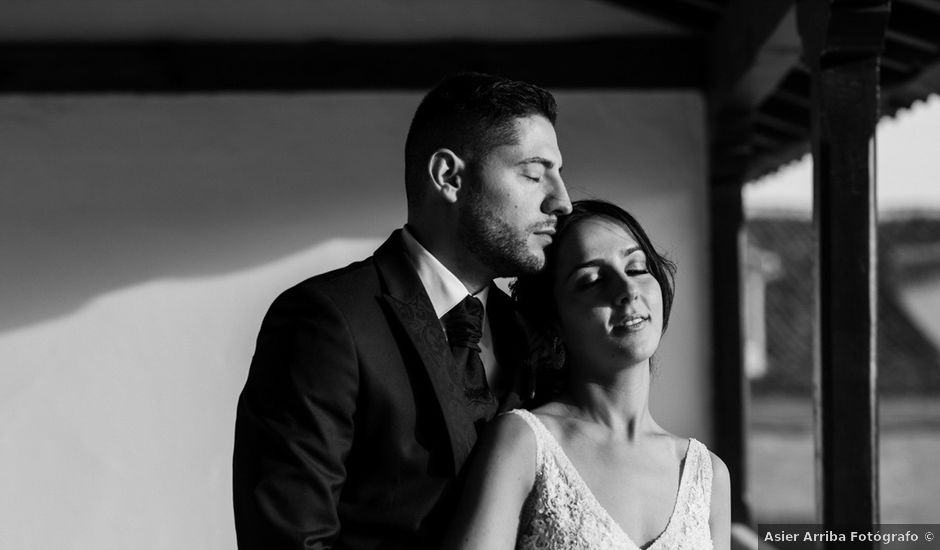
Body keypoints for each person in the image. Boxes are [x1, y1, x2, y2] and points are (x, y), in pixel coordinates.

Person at [232, 72, 572, 550]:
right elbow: (290, 541)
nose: (562, 201)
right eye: (534, 173)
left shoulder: (529, 333)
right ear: (449, 177)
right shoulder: (325, 320)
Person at [445, 199, 731, 549]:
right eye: (592, 281)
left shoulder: (707, 474)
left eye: (638, 268)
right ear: (553, 321)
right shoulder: (524, 444)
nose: (627, 291)